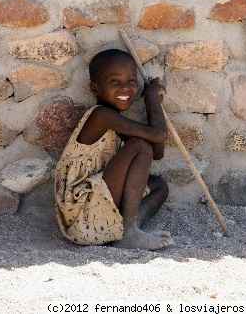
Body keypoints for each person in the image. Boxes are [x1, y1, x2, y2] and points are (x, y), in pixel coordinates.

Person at [55, 48, 173, 250]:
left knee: (159, 186)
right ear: (95, 89)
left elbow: (157, 152)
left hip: (98, 208)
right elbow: (159, 136)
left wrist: (151, 104)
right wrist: (152, 98)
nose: (125, 88)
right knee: (139, 145)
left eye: (131, 81)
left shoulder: (117, 121)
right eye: (114, 82)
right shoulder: (101, 116)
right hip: (82, 214)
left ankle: (129, 228)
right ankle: (128, 233)